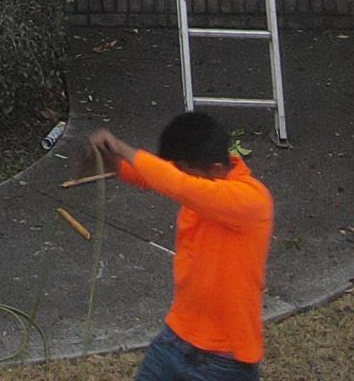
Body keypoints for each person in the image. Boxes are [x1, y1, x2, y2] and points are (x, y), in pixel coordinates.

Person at [85, 109, 273, 379]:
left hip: (226, 361)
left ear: (216, 170)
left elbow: (177, 184)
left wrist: (124, 149)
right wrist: (114, 164)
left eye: (185, 171)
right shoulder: (204, 180)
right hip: (175, 338)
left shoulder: (251, 199)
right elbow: (162, 177)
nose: (177, 175)